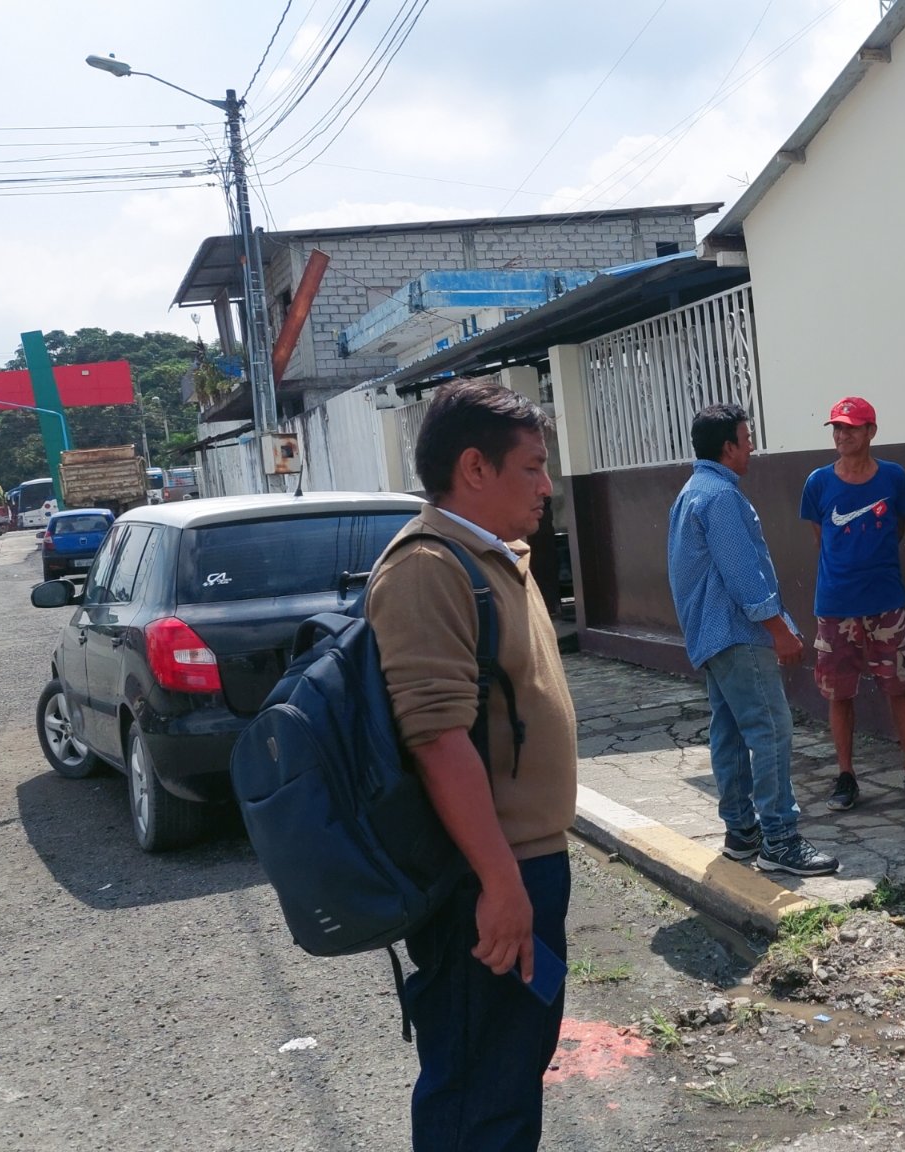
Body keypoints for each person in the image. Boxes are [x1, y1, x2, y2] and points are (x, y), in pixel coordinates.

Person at [363, 379, 578, 1151]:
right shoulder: (429, 568)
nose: (548, 487)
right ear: (475, 469)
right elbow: (436, 740)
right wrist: (499, 882)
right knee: (479, 1094)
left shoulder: (492, 557)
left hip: (521, 863)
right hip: (479, 879)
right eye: (533, 467)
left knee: (511, 1074)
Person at [668, 403, 841, 877]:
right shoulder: (720, 497)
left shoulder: (692, 492)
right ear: (727, 447)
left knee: (729, 731)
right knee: (770, 729)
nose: (752, 449)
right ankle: (780, 838)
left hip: (713, 636)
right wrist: (778, 628)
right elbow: (744, 573)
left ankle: (742, 832)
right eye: (746, 440)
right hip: (738, 632)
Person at [799, 396, 905, 810]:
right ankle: (845, 776)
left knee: (899, 685)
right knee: (838, 692)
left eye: (851, 427)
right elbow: (821, 538)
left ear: (871, 431)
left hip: (886, 600)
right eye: (836, 428)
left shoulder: (894, 477)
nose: (842, 435)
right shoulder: (818, 483)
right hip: (835, 605)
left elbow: (897, 529)